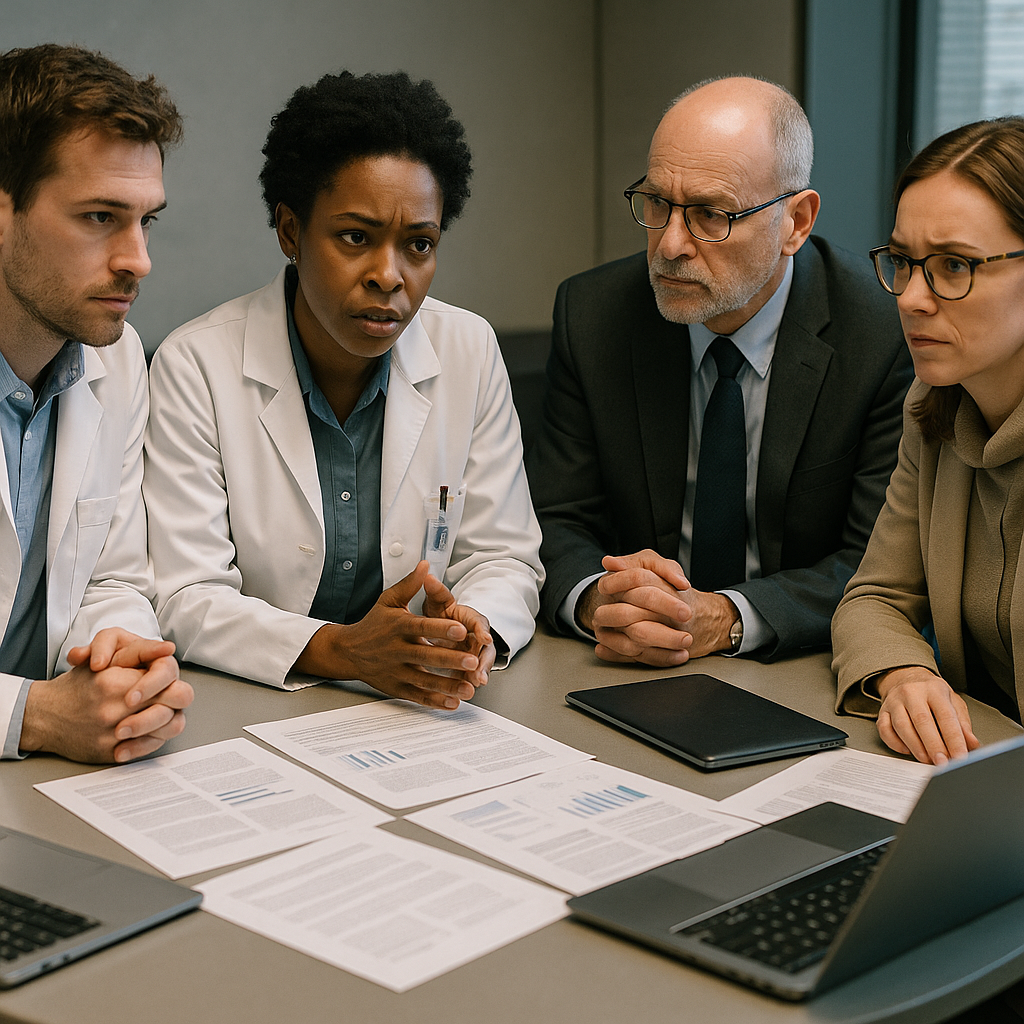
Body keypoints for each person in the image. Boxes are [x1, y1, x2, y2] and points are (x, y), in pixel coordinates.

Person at [144, 70, 543, 709]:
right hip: (252, 705)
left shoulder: (468, 349)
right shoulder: (195, 363)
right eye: (356, 237)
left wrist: (473, 631)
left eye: (419, 245)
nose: (389, 276)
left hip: (421, 707)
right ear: (290, 232)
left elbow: (504, 557)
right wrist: (344, 651)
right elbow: (186, 596)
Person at [527, 76, 911, 666]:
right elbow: (555, 516)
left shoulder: (880, 333)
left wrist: (727, 619)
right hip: (622, 665)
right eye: (658, 204)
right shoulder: (596, 314)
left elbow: (877, 562)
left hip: (800, 665)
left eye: (711, 214)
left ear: (796, 222)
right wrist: (597, 600)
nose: (671, 244)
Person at [0, 44, 193, 762]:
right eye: (99, 217)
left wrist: (118, 658)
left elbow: (111, 573)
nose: (138, 259)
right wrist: (35, 716)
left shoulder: (115, 359)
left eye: (148, 220)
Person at [833, 117, 1024, 766]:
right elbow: (875, 598)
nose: (912, 298)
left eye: (953, 266)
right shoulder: (937, 410)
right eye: (905, 262)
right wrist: (903, 674)